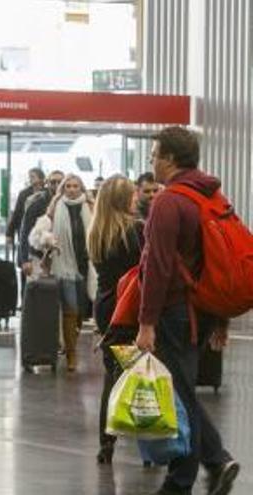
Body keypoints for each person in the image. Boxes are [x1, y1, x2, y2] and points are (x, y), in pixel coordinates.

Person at [135, 127, 239, 495]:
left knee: (179, 397)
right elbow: (220, 262)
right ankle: (217, 460)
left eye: (154, 156)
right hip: (205, 308)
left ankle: (180, 481)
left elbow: (158, 268)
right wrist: (222, 318)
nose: (151, 163)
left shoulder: (168, 202)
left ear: (170, 159)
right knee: (185, 391)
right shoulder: (211, 196)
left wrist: (146, 323)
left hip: (177, 313)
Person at [86, 175, 145, 464]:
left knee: (113, 374)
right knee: (142, 371)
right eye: (134, 195)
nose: (138, 199)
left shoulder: (97, 231)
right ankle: (149, 442)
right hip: (130, 306)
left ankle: (105, 443)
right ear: (124, 199)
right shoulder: (136, 231)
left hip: (106, 306)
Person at [29, 174, 94, 372]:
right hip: (63, 265)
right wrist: (48, 240)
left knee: (81, 312)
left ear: (81, 188)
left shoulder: (90, 207)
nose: (72, 189)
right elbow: (37, 235)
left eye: (76, 186)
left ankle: (70, 344)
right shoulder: (56, 206)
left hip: (85, 265)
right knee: (70, 309)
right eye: (69, 186)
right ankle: (72, 353)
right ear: (63, 189)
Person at [19, 170, 65, 278]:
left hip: (62, 257)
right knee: (37, 290)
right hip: (38, 256)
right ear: (47, 183)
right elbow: (25, 232)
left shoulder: (68, 204)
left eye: (60, 182)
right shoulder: (36, 204)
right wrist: (25, 259)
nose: (56, 185)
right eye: (53, 182)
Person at [6, 168, 45, 246]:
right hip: (25, 229)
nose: (30, 179)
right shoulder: (24, 194)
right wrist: (10, 233)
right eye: (29, 177)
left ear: (41, 178)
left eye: (33, 177)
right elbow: (17, 213)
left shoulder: (46, 193)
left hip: (41, 230)